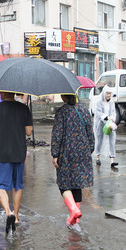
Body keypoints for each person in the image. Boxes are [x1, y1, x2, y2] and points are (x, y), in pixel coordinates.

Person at [0, 91, 33, 235]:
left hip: (3, 152)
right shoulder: (24, 108)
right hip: (19, 151)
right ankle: (17, 216)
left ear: (2, 93)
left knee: (1, 186)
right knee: (17, 185)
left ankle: (8, 213)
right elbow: (28, 132)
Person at [51, 94, 95, 231]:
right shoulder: (84, 110)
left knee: (63, 184)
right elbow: (90, 133)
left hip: (67, 153)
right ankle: (74, 218)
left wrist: (55, 154)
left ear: (64, 97)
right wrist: (89, 150)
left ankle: (74, 211)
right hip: (83, 152)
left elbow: (57, 134)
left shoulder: (61, 112)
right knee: (77, 185)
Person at [92, 86, 118, 168]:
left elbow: (114, 113)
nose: (108, 95)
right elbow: (98, 113)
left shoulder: (112, 103)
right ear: (104, 93)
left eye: (109, 93)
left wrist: (112, 120)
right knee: (99, 140)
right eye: (107, 93)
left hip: (109, 124)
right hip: (100, 124)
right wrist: (106, 117)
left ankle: (112, 160)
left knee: (112, 141)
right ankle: (98, 157)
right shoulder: (98, 103)